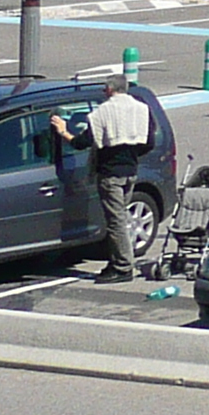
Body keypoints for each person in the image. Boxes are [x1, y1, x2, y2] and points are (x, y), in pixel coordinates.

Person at [51, 71, 158, 282]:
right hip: (131, 172)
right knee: (119, 218)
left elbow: (81, 142)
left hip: (110, 175)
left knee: (116, 221)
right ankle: (116, 259)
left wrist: (64, 131)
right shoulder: (142, 109)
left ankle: (123, 268)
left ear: (109, 89)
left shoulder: (103, 112)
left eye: (104, 88)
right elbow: (149, 142)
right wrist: (131, 155)